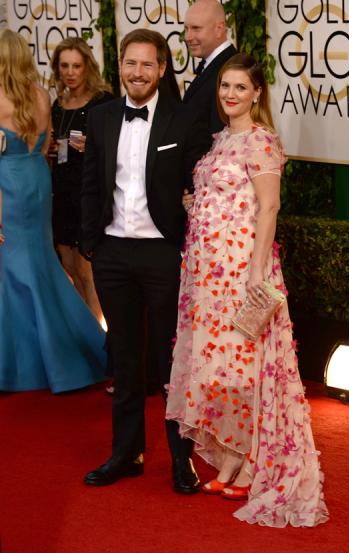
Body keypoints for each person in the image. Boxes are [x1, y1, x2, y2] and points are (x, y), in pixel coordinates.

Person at [166, 54, 329, 527]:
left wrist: (256, 270)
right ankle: (232, 452)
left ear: (258, 92)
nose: (230, 95)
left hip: (240, 272)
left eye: (240, 87)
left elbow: (269, 207)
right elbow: (226, 196)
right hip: (207, 274)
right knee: (217, 364)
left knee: (242, 364)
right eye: (225, 87)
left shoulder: (260, 140)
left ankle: (245, 456)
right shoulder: (221, 140)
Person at [80, 29, 211, 492]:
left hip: (162, 251)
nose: (137, 72)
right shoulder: (100, 118)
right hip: (113, 251)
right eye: (130, 64)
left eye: (146, 64)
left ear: (162, 68)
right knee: (125, 360)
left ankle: (181, 459)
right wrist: (91, 243)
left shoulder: (185, 119)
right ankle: (126, 453)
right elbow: (92, 184)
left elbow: (203, 184)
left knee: (170, 362)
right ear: (121, 66)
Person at [0, 29, 106, 393]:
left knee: (13, 268)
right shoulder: (43, 97)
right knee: (40, 263)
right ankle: (74, 347)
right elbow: (46, 147)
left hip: (8, 186)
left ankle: (23, 362)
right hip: (37, 181)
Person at [50, 37, 114, 324]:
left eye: (76, 65)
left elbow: (122, 150)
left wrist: (94, 146)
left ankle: (101, 337)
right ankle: (85, 335)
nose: (70, 72)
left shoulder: (104, 102)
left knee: (87, 271)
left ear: (87, 66)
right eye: (64, 66)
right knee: (69, 267)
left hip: (90, 193)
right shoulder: (58, 104)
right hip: (61, 192)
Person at [183, 0, 237, 135]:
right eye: (186, 29)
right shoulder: (215, 64)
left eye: (196, 28)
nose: (188, 37)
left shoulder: (231, 70)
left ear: (219, 29)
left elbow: (220, 136)